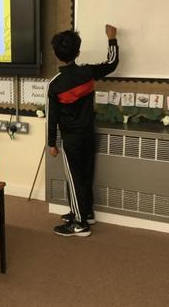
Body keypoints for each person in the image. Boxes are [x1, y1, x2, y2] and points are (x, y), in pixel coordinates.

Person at [47, 24, 119, 237]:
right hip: (88, 134)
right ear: (77, 53)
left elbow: (52, 117)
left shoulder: (55, 84)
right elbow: (112, 63)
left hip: (71, 139)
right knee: (86, 175)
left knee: (74, 178)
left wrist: (52, 143)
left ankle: (80, 223)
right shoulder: (87, 73)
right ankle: (86, 212)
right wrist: (112, 38)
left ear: (56, 54)